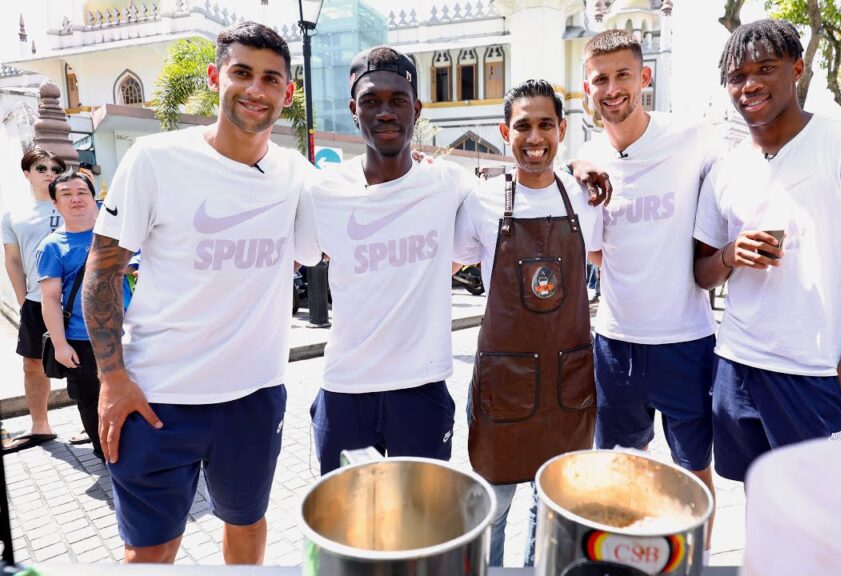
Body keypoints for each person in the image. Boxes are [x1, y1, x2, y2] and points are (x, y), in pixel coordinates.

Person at [83, 22, 314, 564]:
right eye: (242, 73)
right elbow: (104, 268)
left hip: (254, 398)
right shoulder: (155, 159)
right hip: (159, 398)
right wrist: (113, 378)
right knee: (149, 553)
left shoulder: (296, 174)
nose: (256, 89)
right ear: (215, 77)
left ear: (288, 91)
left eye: (271, 79)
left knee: (248, 526)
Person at [692, 19, 841, 483]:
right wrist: (730, 255)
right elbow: (702, 273)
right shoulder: (725, 170)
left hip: (815, 375)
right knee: (761, 501)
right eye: (736, 76)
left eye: (765, 68)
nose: (749, 84)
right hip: (737, 368)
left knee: (824, 518)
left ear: (797, 68)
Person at [297, 47, 478, 475]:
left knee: (423, 533)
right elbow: (295, 258)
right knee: (343, 534)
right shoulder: (322, 191)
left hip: (421, 390)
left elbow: (524, 190)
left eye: (397, 100)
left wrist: (583, 164)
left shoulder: (449, 182)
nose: (385, 112)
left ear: (416, 108)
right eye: (371, 101)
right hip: (344, 390)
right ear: (352, 111)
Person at [570, 29, 721, 541]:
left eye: (623, 76)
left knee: (692, 478)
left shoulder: (693, 137)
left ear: (645, 78)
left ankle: (692, 564)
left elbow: (758, 157)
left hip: (686, 342)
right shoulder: (587, 157)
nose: (612, 89)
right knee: (618, 476)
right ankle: (625, 562)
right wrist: (575, 163)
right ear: (586, 88)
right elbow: (593, 251)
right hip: (615, 344)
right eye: (600, 79)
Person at [453, 79, 605, 566]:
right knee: (492, 508)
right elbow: (450, 264)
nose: (534, 136)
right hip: (506, 386)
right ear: (505, 131)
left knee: (554, 505)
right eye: (523, 125)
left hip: (569, 384)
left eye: (545, 125)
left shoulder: (584, 198)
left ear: (562, 130)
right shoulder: (480, 200)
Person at [37, 172, 133, 462]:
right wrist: (61, 344)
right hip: (83, 339)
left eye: (82, 191)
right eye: (66, 194)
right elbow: (50, 298)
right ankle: (107, 455)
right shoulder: (52, 246)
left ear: (94, 198)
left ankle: (140, 451)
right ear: (55, 204)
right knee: (92, 402)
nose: (76, 198)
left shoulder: (120, 236)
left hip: (130, 333)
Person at [2, 147, 66, 453]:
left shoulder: (72, 203)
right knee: (33, 364)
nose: (49, 174)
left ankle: (92, 423)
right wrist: (22, 298)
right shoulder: (13, 214)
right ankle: (41, 426)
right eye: (41, 169)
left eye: (54, 169)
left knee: (88, 364)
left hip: (75, 300)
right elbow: (12, 260)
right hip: (36, 302)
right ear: (27, 174)